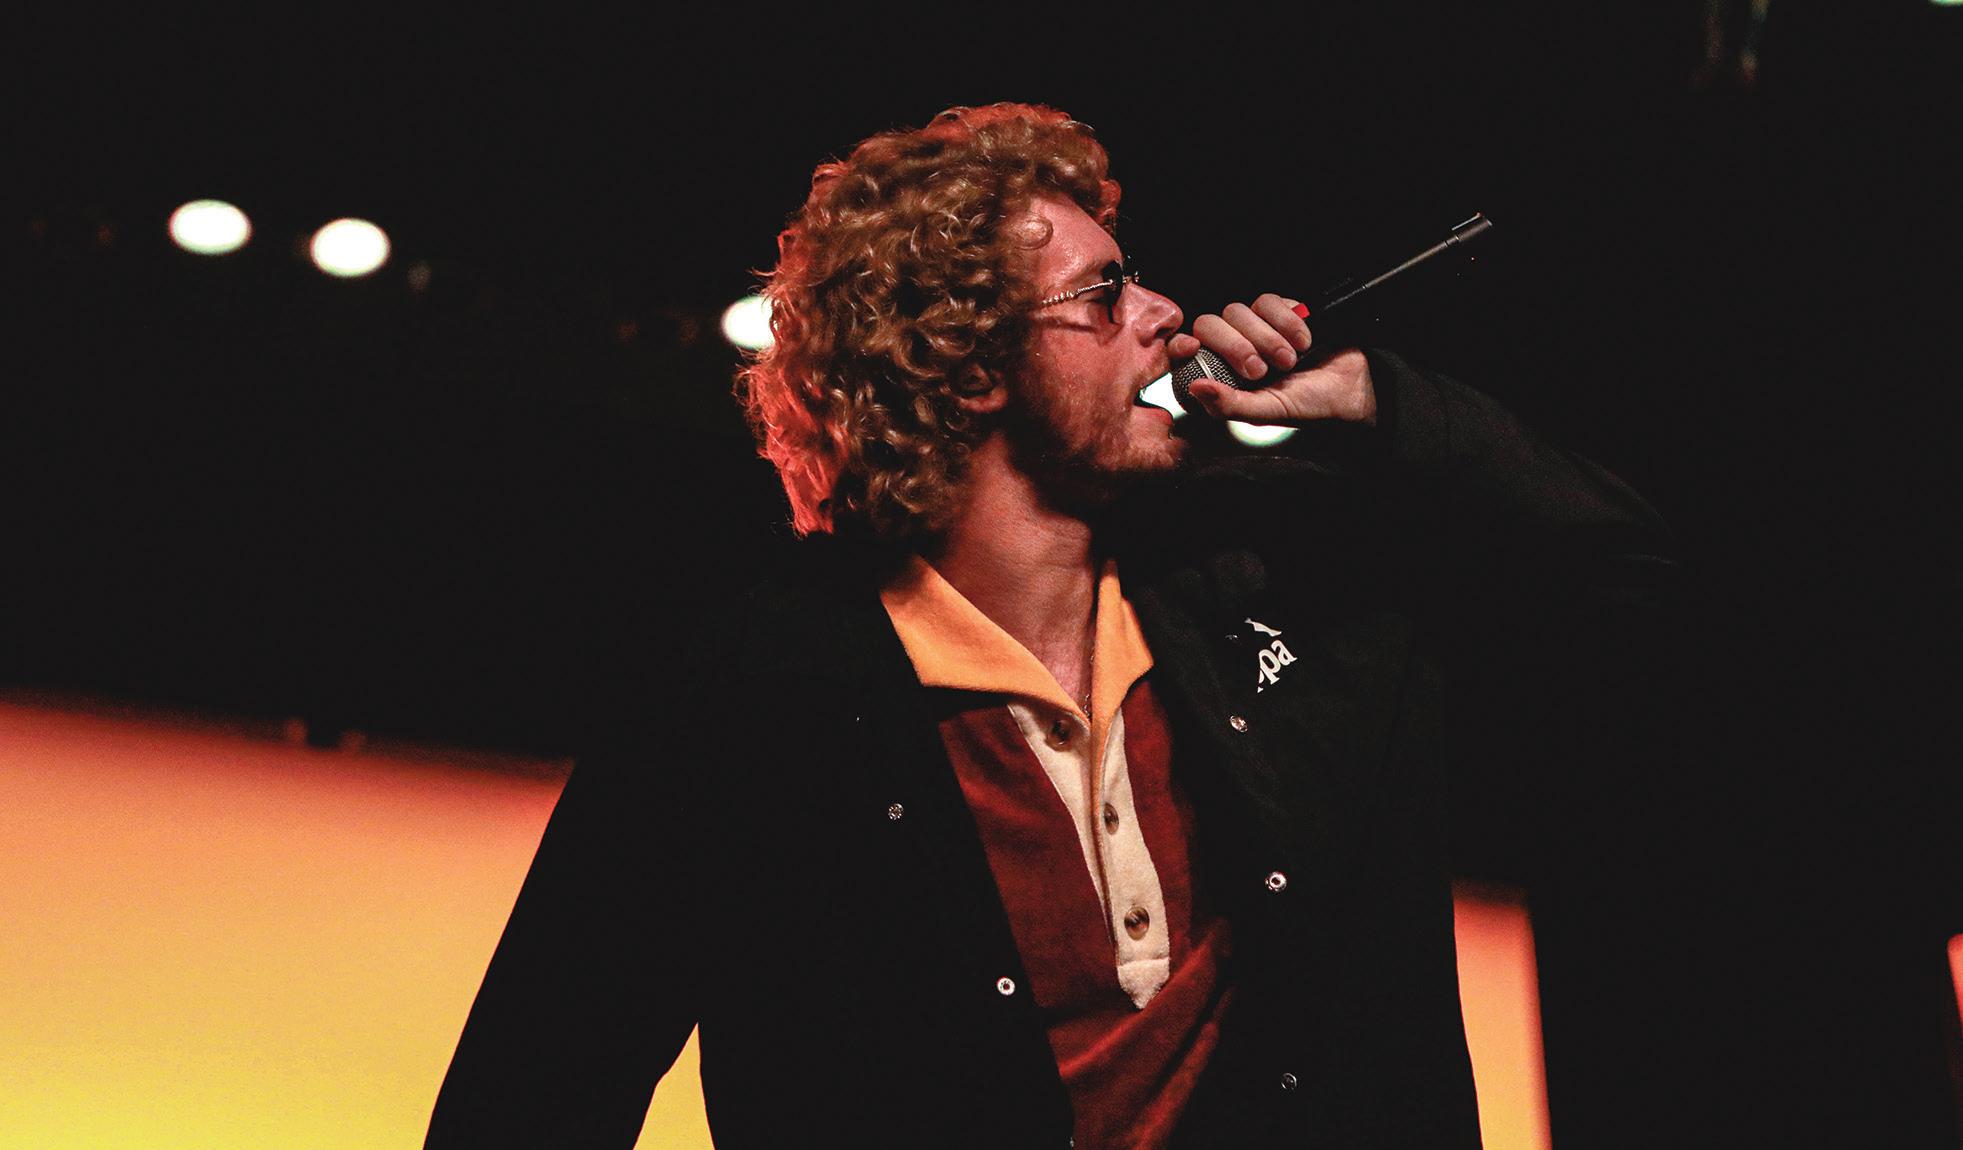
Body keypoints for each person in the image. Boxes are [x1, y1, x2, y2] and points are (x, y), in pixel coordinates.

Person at [425, 103, 1674, 1149]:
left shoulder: (1281, 584)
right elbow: (536, 1091)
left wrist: (1375, 400)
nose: (1165, 311)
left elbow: (1640, 577)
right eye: (1106, 290)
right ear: (969, 365)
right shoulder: (749, 693)